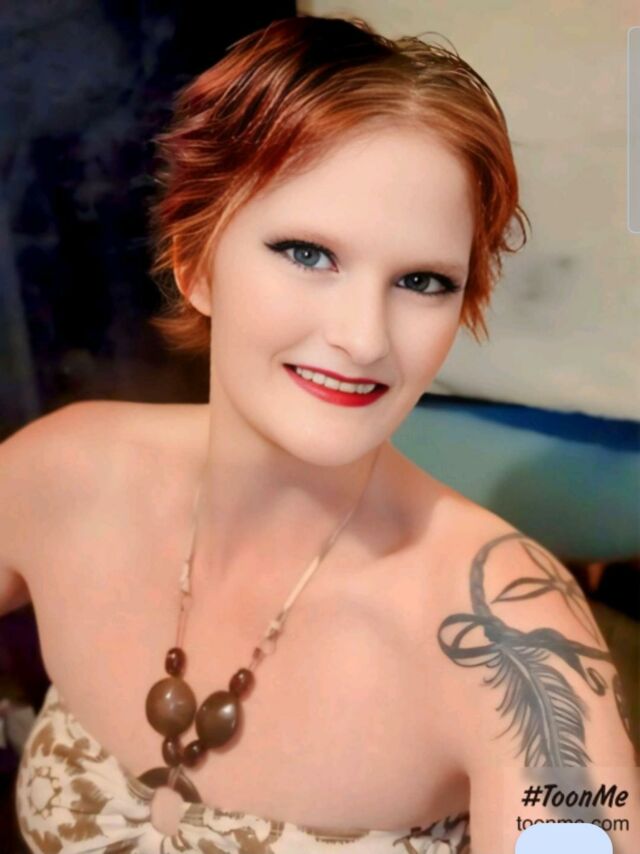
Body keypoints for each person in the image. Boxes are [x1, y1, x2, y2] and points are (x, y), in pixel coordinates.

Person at [2, 14, 636, 854]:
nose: (364, 338)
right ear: (195, 260)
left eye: (422, 281)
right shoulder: (59, 474)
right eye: (308, 254)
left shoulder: (515, 639)